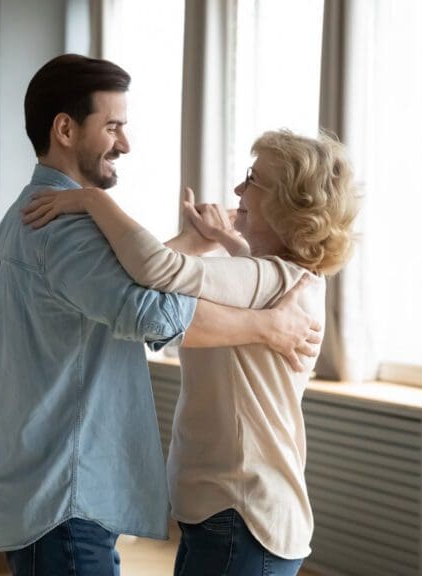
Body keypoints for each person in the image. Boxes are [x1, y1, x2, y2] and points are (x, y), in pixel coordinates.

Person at [0, 54, 323, 576]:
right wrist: (267, 326)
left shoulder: (33, 211)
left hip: (48, 490)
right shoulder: (64, 226)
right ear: (66, 130)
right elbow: (151, 313)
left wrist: (193, 242)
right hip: (66, 495)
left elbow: (106, 287)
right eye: (113, 126)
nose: (125, 144)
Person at [22, 128, 359, 576]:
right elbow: (247, 276)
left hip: (241, 513)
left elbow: (155, 269)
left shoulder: (265, 279)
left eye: (253, 181)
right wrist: (224, 237)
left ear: (285, 205)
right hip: (235, 513)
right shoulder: (288, 278)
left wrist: (92, 201)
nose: (238, 189)